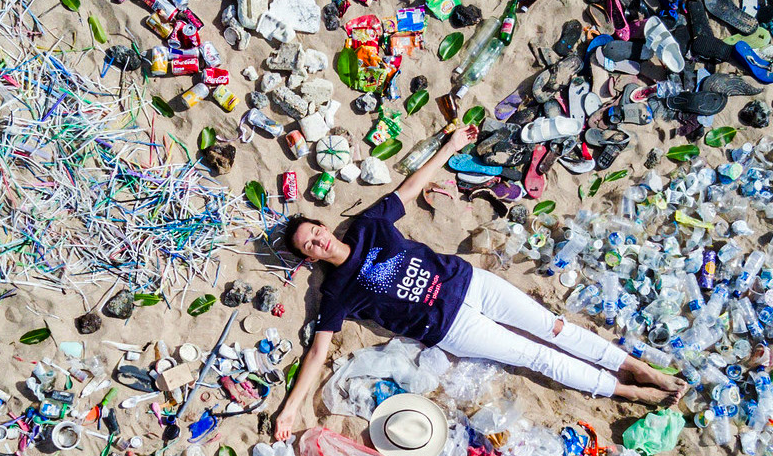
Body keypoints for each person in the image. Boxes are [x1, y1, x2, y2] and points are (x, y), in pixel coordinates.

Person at [272, 124, 683, 439]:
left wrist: (449, 147)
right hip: (452, 327)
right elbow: (316, 353)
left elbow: (410, 189)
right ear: (309, 258)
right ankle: (626, 392)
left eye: (314, 231)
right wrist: (291, 409)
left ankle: (636, 367)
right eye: (309, 245)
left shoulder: (367, 225)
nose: (317, 240)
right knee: (535, 356)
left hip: (469, 282)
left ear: (323, 225)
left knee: (554, 328)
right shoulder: (336, 291)